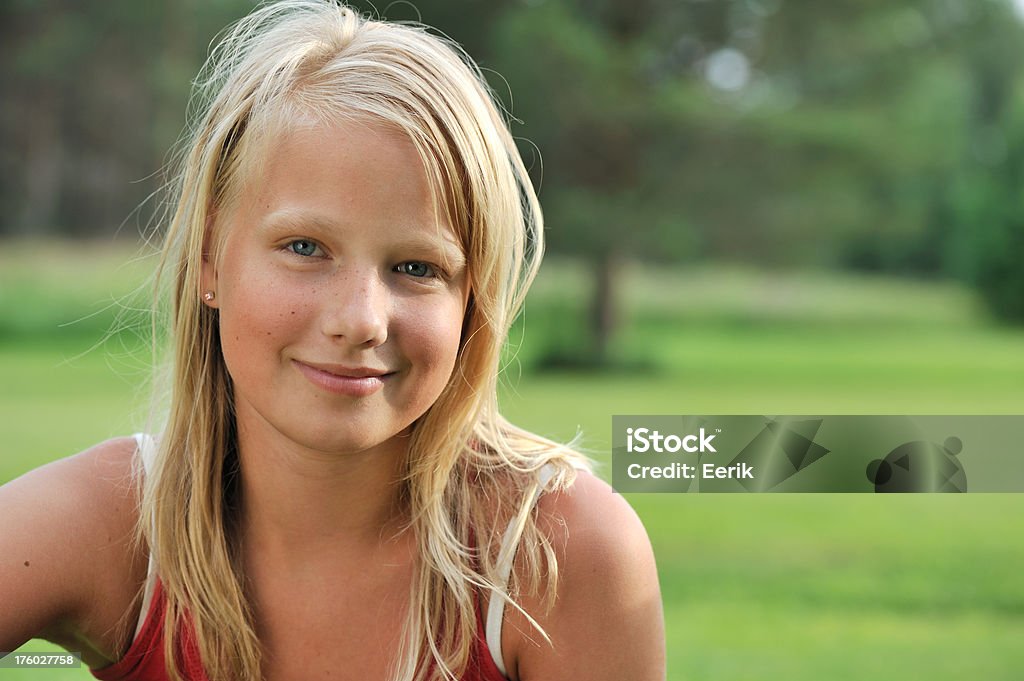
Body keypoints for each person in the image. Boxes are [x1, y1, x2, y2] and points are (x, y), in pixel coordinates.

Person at [0, 2, 665, 679]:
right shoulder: (121, 526)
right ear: (209, 261)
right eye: (305, 247)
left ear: (473, 301)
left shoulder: (558, 553)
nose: (361, 319)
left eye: (417, 268)